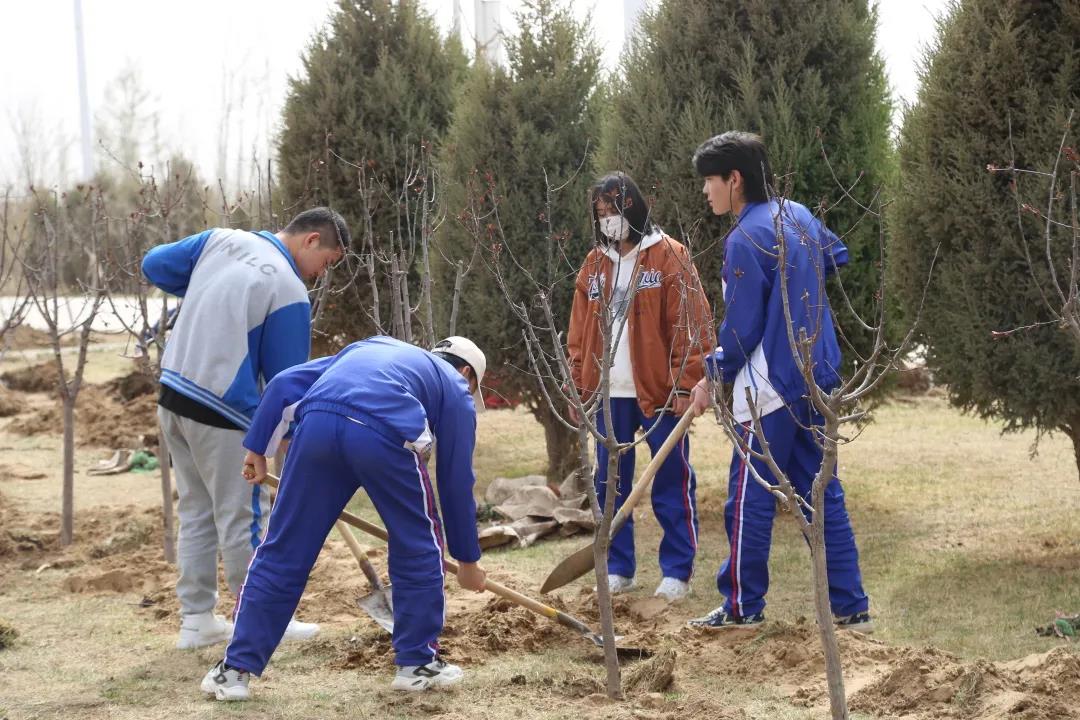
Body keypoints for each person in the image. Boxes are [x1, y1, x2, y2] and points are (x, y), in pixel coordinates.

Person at [200, 335, 489, 700]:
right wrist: (467, 560)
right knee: (418, 543)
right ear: (466, 373)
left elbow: (284, 383)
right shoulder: (456, 387)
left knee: (283, 549)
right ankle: (417, 664)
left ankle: (234, 671)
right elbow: (456, 478)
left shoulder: (373, 347)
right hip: (386, 433)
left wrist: (258, 447)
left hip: (318, 425)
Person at [685, 131, 872, 631]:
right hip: (818, 375)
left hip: (770, 387)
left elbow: (742, 330)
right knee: (822, 490)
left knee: (749, 497)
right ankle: (852, 607)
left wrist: (713, 374)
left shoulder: (744, 238)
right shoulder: (798, 215)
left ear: (735, 179)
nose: (706, 192)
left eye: (710, 181)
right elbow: (838, 254)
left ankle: (742, 607)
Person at [141, 207, 348, 649]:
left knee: (197, 510)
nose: (320, 275)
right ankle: (264, 617)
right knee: (245, 516)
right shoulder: (288, 288)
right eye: (327, 263)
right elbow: (287, 383)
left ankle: (196, 622)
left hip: (173, 394)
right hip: (222, 410)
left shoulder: (221, 239)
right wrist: (295, 442)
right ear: (311, 240)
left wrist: (208, 295)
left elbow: (153, 263)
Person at [567, 172, 714, 602]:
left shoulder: (670, 257)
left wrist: (688, 383)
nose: (608, 220)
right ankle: (618, 566)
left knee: (671, 479)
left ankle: (677, 571)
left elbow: (692, 324)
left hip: (660, 394)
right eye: (600, 214)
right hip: (608, 396)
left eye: (613, 211)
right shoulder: (593, 265)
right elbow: (578, 334)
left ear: (633, 209)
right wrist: (579, 387)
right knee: (609, 484)